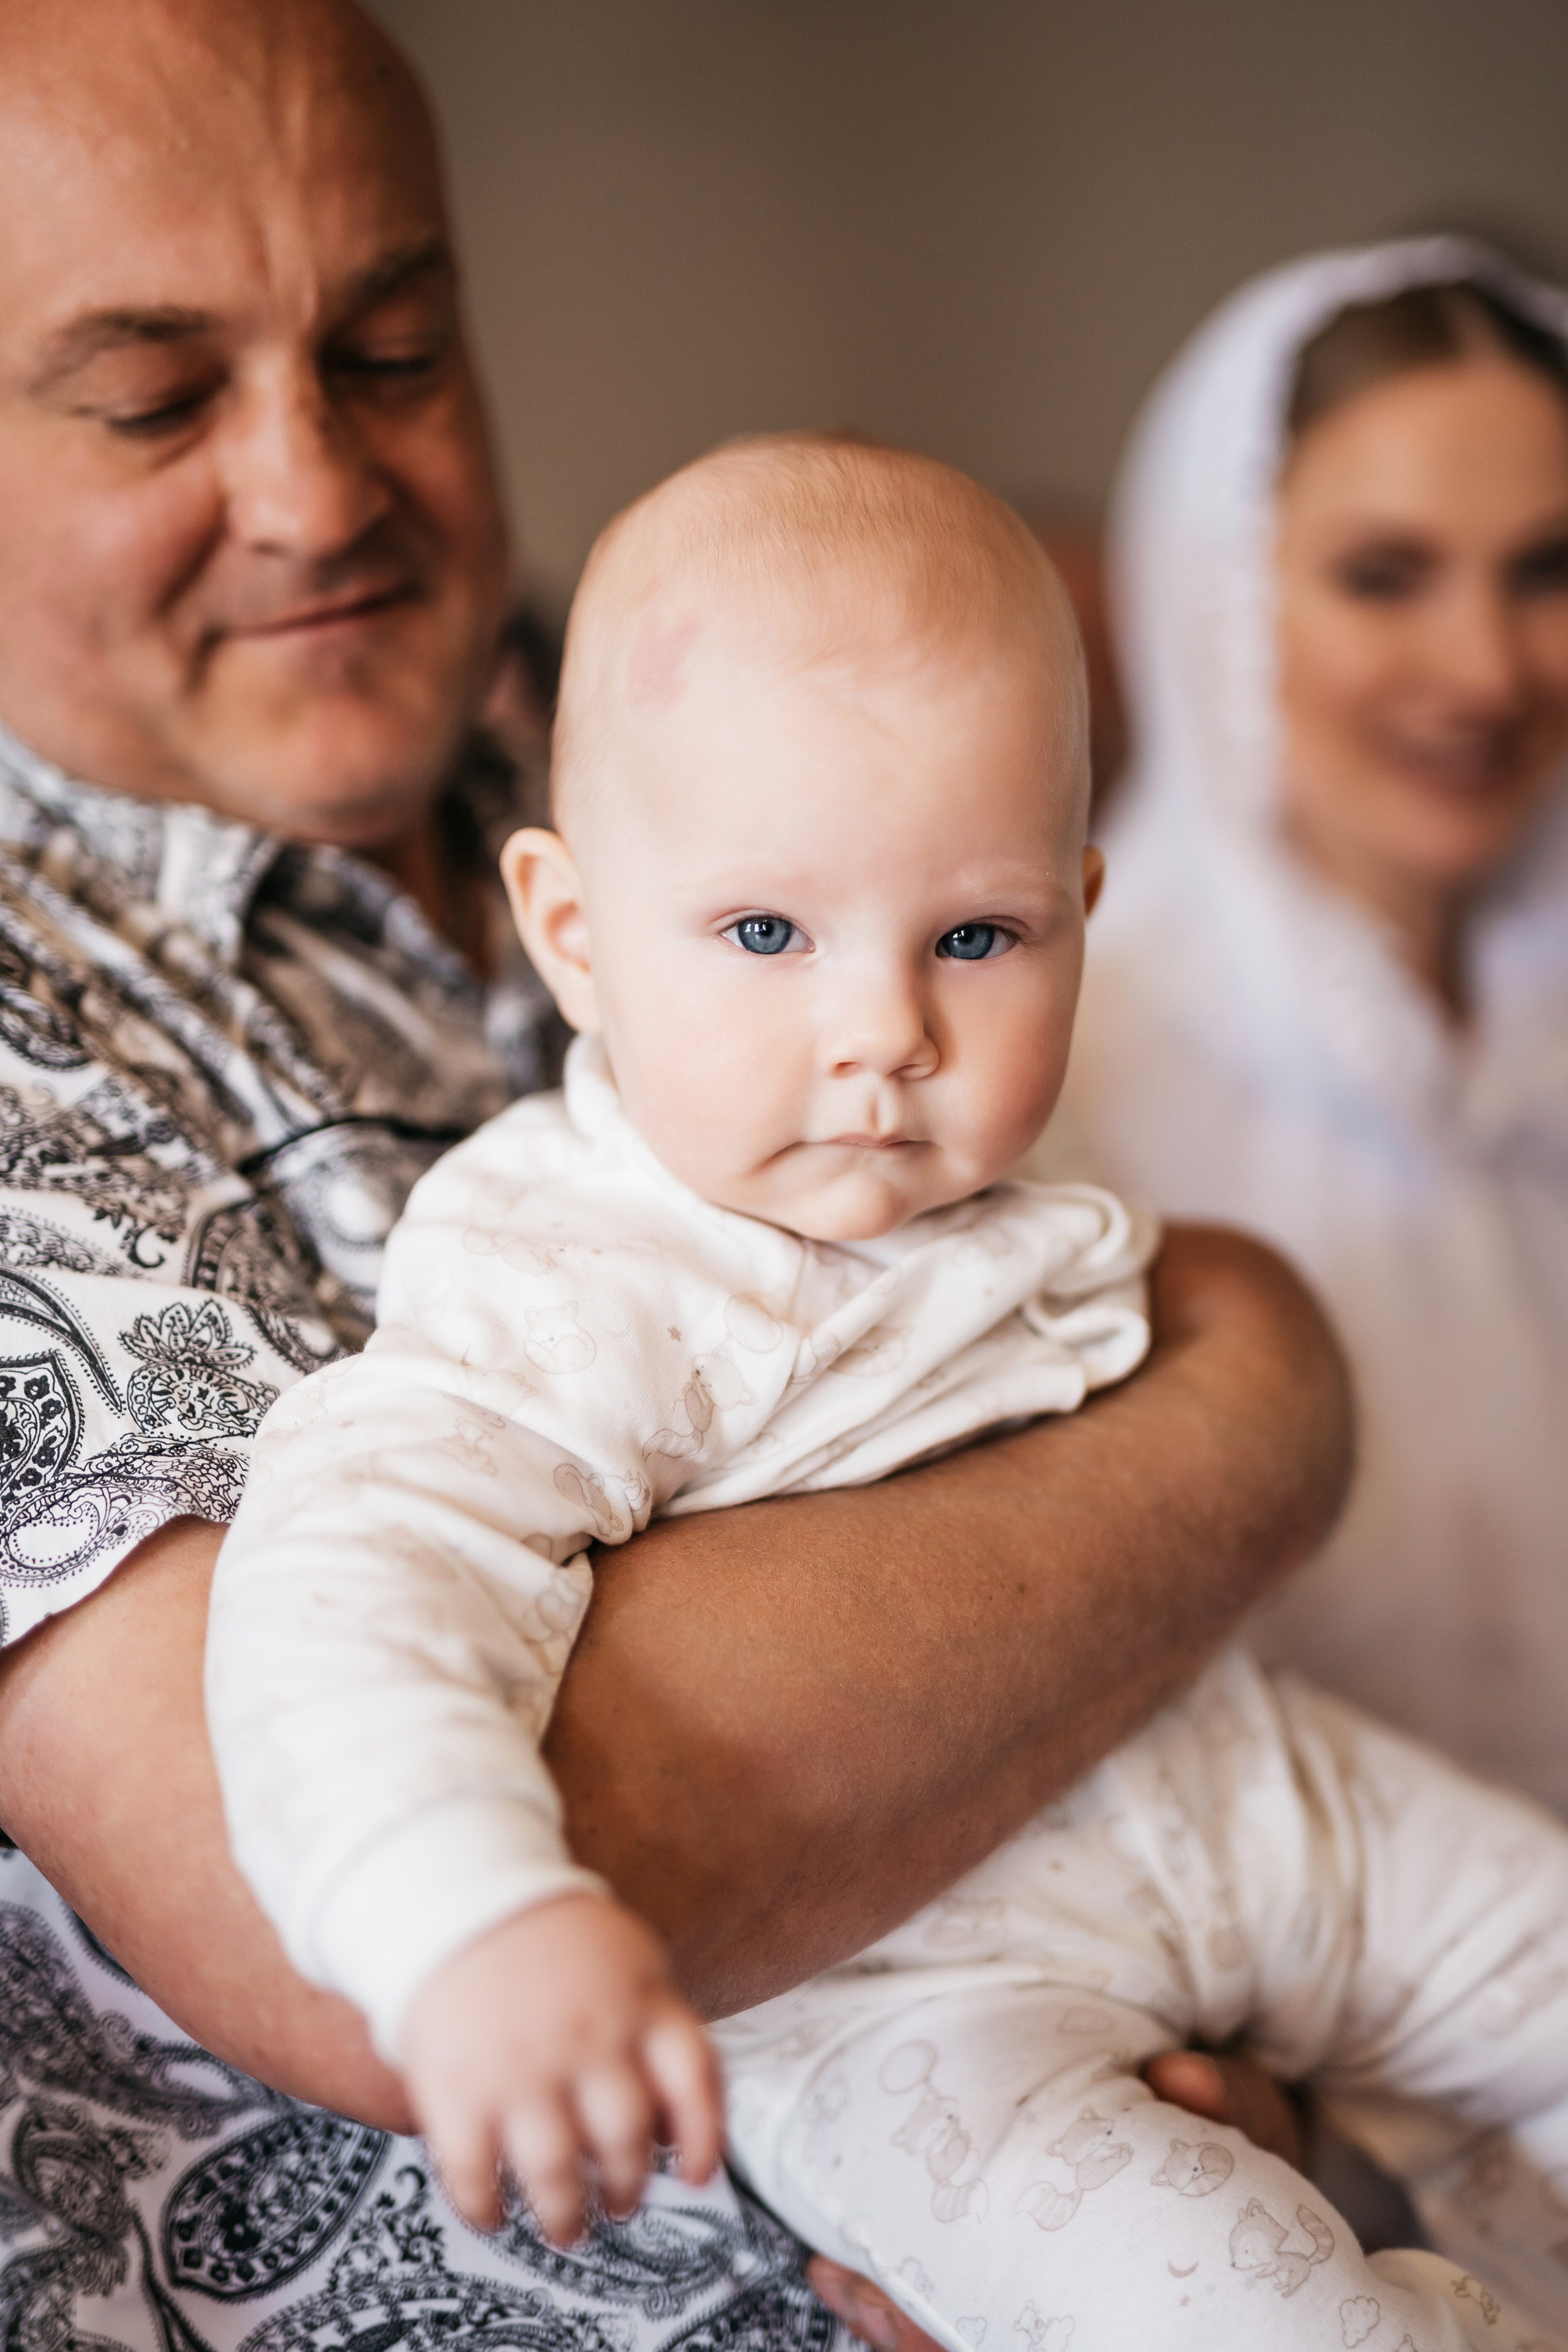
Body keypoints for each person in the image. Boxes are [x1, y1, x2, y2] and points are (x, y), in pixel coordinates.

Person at [0, 7, 1351, 2351]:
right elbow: (368, 1865)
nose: (321, 494)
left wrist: (1116, 2004)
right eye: (151, 400)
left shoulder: (639, 684)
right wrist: (1253, 1410)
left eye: (397, 346)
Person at [209, 435, 1568, 2352]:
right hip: (913, 2007)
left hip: (1258, 1795)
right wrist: (471, 1922)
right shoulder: (570, 1273)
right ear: (576, 934)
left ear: (1081, 916)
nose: (886, 1035)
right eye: (767, 936)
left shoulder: (1021, 1178)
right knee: (1260, 2319)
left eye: (977, 937)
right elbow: (351, 1586)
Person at [1065, 239, 1568, 1814]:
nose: (1482, 668)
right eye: (1382, 575)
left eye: (1547, 569)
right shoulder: (1067, 1072)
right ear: (1210, 593)